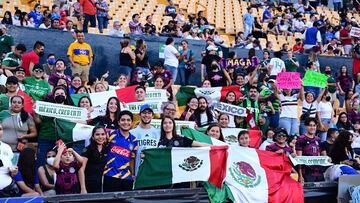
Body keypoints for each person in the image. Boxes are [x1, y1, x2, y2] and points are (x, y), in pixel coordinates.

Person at [34, 86, 74, 166]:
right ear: (53, 96)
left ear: (65, 96)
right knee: (41, 162)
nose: (60, 95)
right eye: (57, 94)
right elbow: (38, 121)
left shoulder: (71, 110)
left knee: (62, 164)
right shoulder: (46, 107)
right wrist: (35, 111)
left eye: (62, 94)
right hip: (45, 138)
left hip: (63, 141)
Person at [103, 110, 138, 192]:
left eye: (128, 120)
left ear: (132, 123)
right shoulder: (110, 134)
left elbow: (132, 159)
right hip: (110, 175)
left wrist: (133, 175)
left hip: (126, 178)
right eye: (123, 120)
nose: (125, 122)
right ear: (118, 122)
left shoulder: (134, 140)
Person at [130, 104, 160, 175]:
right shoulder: (132, 133)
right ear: (140, 115)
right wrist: (133, 174)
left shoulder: (158, 132)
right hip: (139, 173)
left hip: (154, 172)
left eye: (149, 113)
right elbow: (131, 157)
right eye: (144, 113)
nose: (146, 115)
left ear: (152, 116)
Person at [296, 117, 324, 183]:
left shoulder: (318, 139)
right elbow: (299, 159)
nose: (312, 127)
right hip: (306, 171)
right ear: (306, 126)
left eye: (314, 125)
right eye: (310, 125)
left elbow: (319, 155)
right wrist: (300, 175)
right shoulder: (301, 139)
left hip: (318, 171)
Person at [82, 126, 107, 193]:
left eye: (103, 134)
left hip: (102, 186)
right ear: (93, 137)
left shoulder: (107, 149)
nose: (100, 137)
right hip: (88, 185)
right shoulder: (87, 150)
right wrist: (83, 188)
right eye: (97, 134)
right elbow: (81, 170)